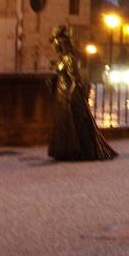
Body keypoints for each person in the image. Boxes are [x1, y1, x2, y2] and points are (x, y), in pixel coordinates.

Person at [48, 25, 117, 162]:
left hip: (69, 94)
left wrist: (70, 95)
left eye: (58, 45)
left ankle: (75, 151)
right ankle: (64, 150)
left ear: (63, 45)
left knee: (74, 125)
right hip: (61, 93)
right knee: (65, 124)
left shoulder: (70, 59)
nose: (56, 48)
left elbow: (76, 79)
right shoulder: (62, 59)